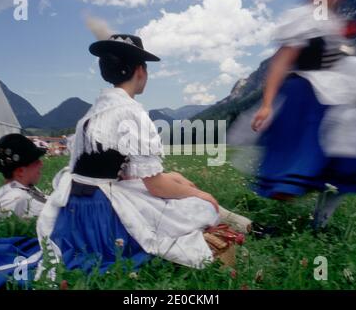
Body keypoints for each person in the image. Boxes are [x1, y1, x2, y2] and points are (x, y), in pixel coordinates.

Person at [36, 33, 251, 276]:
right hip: (102, 213)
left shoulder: (93, 113)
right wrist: (201, 193)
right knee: (201, 207)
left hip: (75, 207)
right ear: (140, 71)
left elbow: (116, 168)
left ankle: (235, 220)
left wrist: (176, 179)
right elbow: (156, 187)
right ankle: (228, 222)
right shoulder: (131, 113)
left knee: (176, 179)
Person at [247, 0, 356, 230]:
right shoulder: (303, 19)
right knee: (301, 162)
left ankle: (320, 225)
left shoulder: (333, 21)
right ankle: (300, 213)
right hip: (305, 98)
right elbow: (281, 63)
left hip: (335, 99)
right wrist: (266, 103)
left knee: (345, 163)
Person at [0, 134, 47, 219]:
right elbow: (0, 230)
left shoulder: (26, 188)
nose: (41, 164)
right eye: (36, 162)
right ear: (20, 171)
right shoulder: (14, 198)